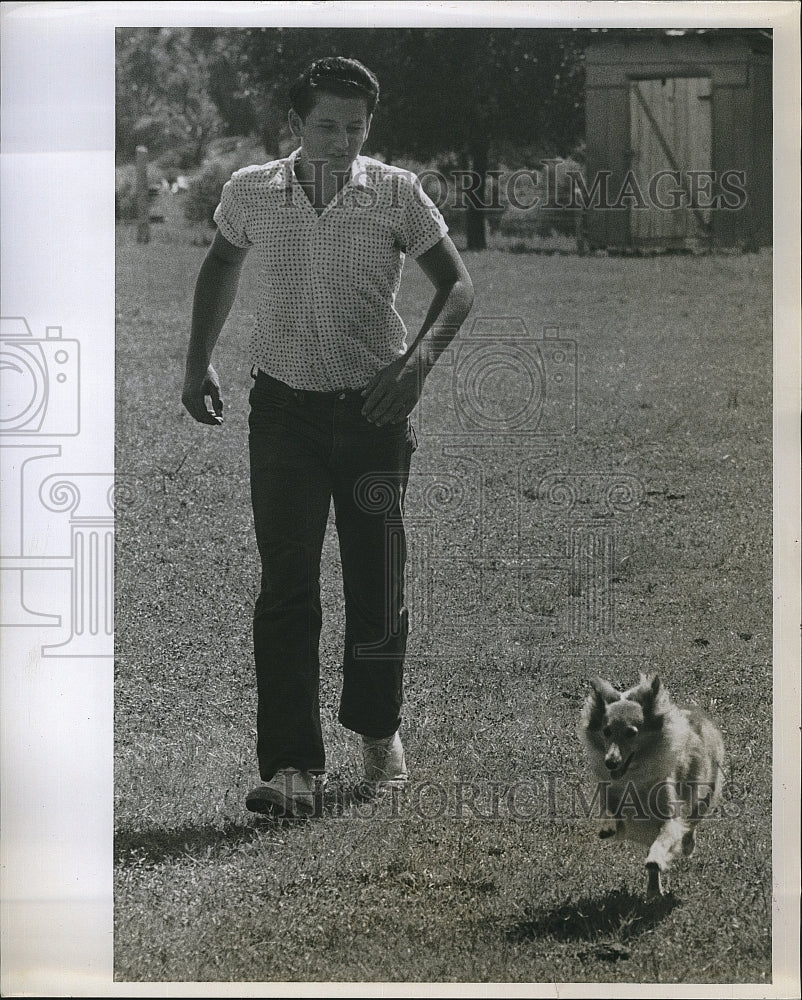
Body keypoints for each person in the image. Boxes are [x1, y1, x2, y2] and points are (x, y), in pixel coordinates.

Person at [182, 56, 474, 818]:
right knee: (287, 587)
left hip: (375, 416)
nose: (341, 140)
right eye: (325, 126)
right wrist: (197, 362)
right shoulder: (250, 192)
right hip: (282, 416)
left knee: (377, 580)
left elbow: (458, 285)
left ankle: (378, 733)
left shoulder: (397, 194)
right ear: (294, 125)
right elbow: (220, 263)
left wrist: (416, 369)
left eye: (355, 127)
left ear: (369, 127)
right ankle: (290, 768)